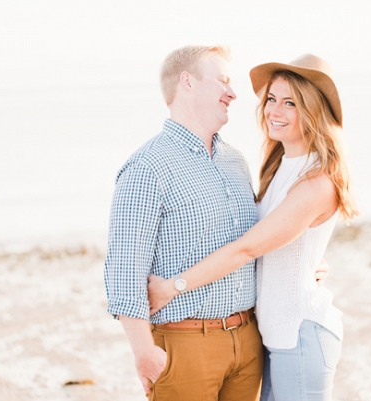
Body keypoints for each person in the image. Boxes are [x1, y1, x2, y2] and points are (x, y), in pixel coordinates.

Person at [148, 54, 359, 401]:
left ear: (313, 110)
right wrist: (309, 262)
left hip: (301, 334)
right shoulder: (279, 169)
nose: (275, 111)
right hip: (274, 335)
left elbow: (246, 247)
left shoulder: (316, 182)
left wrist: (174, 286)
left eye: (290, 102)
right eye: (272, 99)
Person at [104, 45, 263, 401]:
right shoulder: (147, 168)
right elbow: (125, 268)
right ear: (187, 82)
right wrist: (144, 353)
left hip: (249, 340)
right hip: (185, 344)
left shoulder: (235, 162)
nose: (234, 93)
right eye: (223, 81)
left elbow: (256, 240)